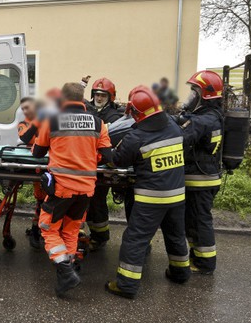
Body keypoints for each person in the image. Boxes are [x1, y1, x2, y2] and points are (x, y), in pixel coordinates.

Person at [105, 85, 190, 299]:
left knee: (136, 239)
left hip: (151, 198)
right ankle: (180, 273)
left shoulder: (136, 136)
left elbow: (116, 160)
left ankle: (126, 285)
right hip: (177, 195)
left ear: (135, 112)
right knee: (176, 235)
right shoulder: (174, 127)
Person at [33, 82, 112, 297]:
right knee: (70, 230)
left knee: (48, 229)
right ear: (83, 98)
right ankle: (67, 272)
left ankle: (66, 271)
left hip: (61, 188)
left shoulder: (53, 120)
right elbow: (107, 156)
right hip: (86, 190)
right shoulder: (98, 123)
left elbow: (38, 153)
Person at [179, 70, 224, 275]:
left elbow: (180, 139)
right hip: (205, 177)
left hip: (199, 180)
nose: (190, 95)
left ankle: (205, 263)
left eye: (194, 91)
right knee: (195, 220)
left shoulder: (201, 121)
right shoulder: (212, 116)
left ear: (203, 94)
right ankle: (197, 256)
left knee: (199, 221)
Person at [85, 78, 124, 251]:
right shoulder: (87, 109)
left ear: (110, 97)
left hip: (101, 165)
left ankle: (100, 237)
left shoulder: (113, 116)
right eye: (97, 94)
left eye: (103, 95)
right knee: (88, 202)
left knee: (97, 201)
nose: (99, 98)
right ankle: (94, 234)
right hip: (87, 163)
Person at [17, 97, 46, 249]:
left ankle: (41, 229)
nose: (26, 111)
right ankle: (36, 230)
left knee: (48, 200)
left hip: (47, 163)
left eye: (28, 107)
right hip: (35, 165)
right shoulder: (23, 124)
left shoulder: (47, 122)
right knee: (41, 200)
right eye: (24, 109)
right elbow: (25, 137)